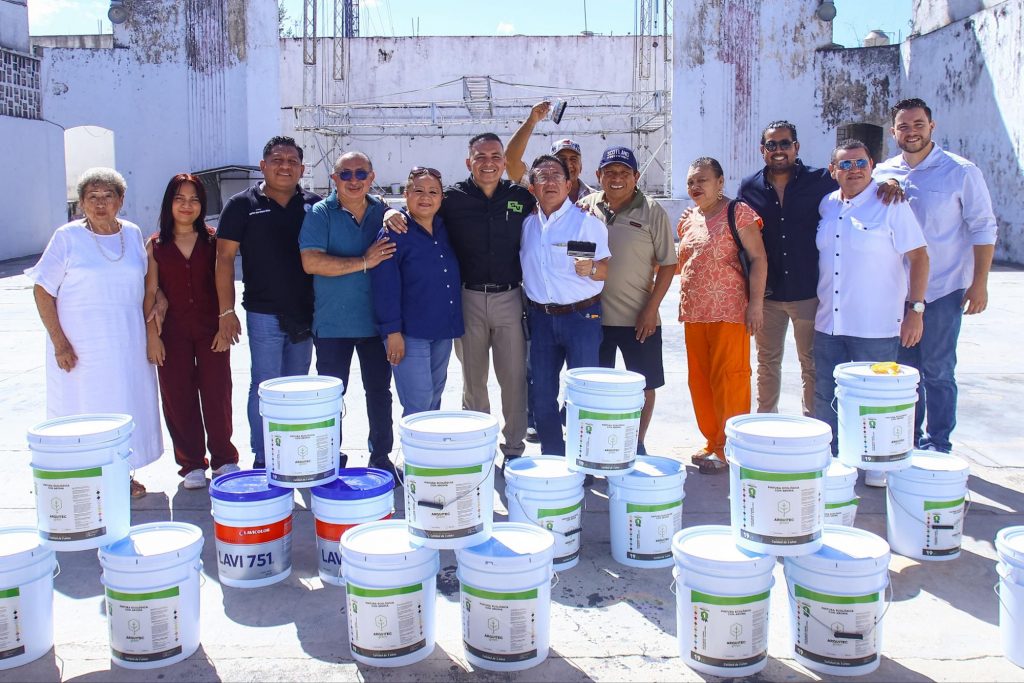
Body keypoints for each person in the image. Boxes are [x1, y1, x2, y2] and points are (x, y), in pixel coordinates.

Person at [384, 133, 534, 465]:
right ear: (469, 162)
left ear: (504, 162)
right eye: (480, 157)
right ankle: (479, 447)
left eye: (495, 156)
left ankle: (514, 448)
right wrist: (388, 211)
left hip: (510, 298)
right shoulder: (452, 198)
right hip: (468, 298)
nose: (488, 163)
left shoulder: (520, 196)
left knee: (513, 379)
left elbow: (557, 200)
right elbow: (419, 207)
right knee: (473, 382)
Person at [738, 120, 906, 417]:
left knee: (811, 365)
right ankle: (766, 421)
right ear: (763, 150)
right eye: (772, 145)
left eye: (785, 143)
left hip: (809, 294)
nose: (779, 150)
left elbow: (856, 180)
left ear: (796, 147)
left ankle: (812, 424)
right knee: (767, 363)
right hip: (768, 295)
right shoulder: (749, 187)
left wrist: (889, 181)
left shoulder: (820, 181)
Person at [26, 167, 163, 499]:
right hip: (81, 348)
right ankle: (86, 479)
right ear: (81, 203)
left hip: (127, 343)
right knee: (86, 409)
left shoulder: (132, 234)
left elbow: (147, 285)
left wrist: (155, 317)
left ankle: (122, 476)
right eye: (92, 197)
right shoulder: (67, 237)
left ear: (121, 200)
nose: (100, 204)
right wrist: (60, 342)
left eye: (108, 196)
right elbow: (43, 290)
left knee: (125, 406)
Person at [874, 98, 998, 454]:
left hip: (943, 289)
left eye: (918, 124)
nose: (911, 132)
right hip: (897, 292)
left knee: (938, 370)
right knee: (903, 372)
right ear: (894, 131)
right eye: (904, 126)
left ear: (932, 126)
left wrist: (979, 283)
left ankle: (938, 442)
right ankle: (907, 439)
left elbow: (983, 227)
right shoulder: (883, 172)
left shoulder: (961, 172)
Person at [813, 139, 929, 484]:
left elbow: (919, 257)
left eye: (860, 163)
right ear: (833, 171)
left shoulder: (890, 204)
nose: (854, 170)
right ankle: (833, 463)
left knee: (876, 400)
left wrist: (916, 309)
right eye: (845, 165)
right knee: (827, 395)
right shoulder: (827, 205)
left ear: (872, 166)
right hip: (829, 324)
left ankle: (878, 465)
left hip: (875, 327)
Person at [216, 136, 321, 469]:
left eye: (292, 161)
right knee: (264, 385)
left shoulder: (315, 205)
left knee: (297, 386)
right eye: (277, 160)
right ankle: (264, 456)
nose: (284, 166)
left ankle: (290, 455)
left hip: (305, 313)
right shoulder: (241, 205)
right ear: (263, 166)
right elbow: (223, 258)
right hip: (263, 313)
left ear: (302, 168)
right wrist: (226, 311)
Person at [299, 152, 398, 477]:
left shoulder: (382, 212)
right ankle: (328, 458)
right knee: (330, 398)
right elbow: (311, 262)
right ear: (334, 179)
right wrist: (364, 261)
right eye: (345, 174)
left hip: (376, 325)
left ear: (372, 177)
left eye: (360, 173)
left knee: (379, 394)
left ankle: (381, 457)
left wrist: (392, 211)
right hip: (332, 326)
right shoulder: (320, 214)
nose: (353, 180)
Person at [579, 146, 676, 456]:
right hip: (594, 319)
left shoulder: (652, 211)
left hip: (639, 319)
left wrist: (651, 309)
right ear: (598, 175)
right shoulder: (585, 207)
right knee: (596, 389)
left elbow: (668, 264)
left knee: (644, 386)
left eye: (624, 173)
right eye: (610, 172)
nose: (616, 178)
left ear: (636, 176)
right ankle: (597, 448)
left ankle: (637, 444)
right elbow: (576, 255)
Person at [145, 173, 240, 489]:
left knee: (217, 394)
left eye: (194, 199)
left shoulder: (214, 240)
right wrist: (152, 336)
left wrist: (225, 321)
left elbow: (225, 279)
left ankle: (224, 458)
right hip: (172, 335)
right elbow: (150, 293)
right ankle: (191, 464)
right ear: (169, 203)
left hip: (211, 331)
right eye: (180, 199)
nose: (187, 205)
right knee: (178, 397)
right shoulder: (156, 245)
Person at [677, 157, 767, 474]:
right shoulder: (689, 218)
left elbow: (758, 258)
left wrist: (756, 304)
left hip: (729, 311)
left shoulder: (737, 212)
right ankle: (713, 440)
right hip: (694, 313)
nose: (695, 186)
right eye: (691, 181)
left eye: (702, 180)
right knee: (700, 381)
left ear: (720, 182)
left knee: (730, 379)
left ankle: (730, 447)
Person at [521, 155, 611, 457]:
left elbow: (604, 270)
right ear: (532, 187)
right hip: (541, 319)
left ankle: (583, 458)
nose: (550, 182)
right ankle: (553, 456)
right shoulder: (527, 225)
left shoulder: (586, 222)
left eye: (556, 176)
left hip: (581, 318)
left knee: (583, 393)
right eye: (542, 177)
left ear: (569, 184)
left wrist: (592, 268)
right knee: (542, 393)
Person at [371, 167, 464, 415]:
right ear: (406, 194)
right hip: (410, 334)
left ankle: (429, 442)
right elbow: (384, 286)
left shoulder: (445, 228)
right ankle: (414, 442)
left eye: (433, 192)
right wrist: (392, 332)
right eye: (418, 190)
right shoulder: (394, 232)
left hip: (442, 330)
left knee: (434, 399)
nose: (426, 197)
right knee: (418, 403)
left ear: (441, 198)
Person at [506, 101, 596, 202]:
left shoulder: (596, 198)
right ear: (550, 165)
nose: (568, 164)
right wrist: (532, 120)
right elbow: (510, 160)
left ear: (581, 167)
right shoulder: (538, 189)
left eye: (573, 159)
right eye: (562, 159)